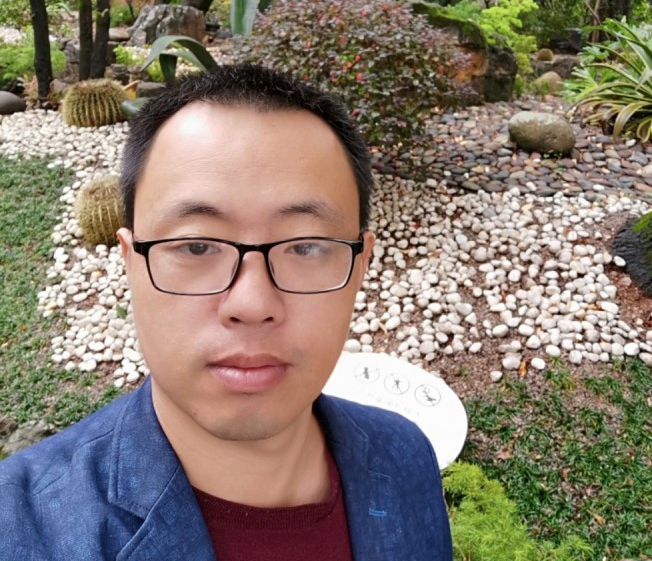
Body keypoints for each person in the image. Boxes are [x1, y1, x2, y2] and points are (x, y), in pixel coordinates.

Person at [0, 65, 452, 560]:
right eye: (196, 246)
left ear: (360, 265)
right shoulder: (20, 526)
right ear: (130, 262)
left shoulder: (405, 455)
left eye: (305, 246)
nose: (252, 305)